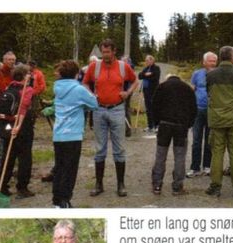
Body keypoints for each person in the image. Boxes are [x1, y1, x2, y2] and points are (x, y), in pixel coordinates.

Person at [83, 40, 136, 198]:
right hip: (99, 110)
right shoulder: (95, 66)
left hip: (117, 109)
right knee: (100, 149)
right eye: (102, 52)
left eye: (107, 52)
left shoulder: (123, 66)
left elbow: (134, 80)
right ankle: (99, 184)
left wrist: (127, 93)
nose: (104, 55)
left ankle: (121, 184)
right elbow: (85, 82)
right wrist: (91, 94)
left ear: (114, 51)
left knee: (119, 149)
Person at [47, 61, 99, 208]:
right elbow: (94, 104)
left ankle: (56, 200)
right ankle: (65, 200)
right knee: (70, 170)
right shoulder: (79, 89)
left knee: (59, 167)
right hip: (73, 134)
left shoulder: (57, 87)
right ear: (76, 74)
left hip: (58, 134)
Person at [205, 46, 233, 198]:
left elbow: (209, 93)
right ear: (231, 57)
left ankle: (215, 186)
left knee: (217, 153)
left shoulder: (210, 75)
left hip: (217, 120)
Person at [150, 72, 197, 195]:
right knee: (179, 157)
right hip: (181, 126)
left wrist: (157, 122)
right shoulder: (188, 89)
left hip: (165, 125)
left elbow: (154, 106)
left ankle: (157, 185)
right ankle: (177, 186)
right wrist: (189, 124)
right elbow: (194, 109)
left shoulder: (162, 87)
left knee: (161, 155)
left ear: (168, 78)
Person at [0, 65, 38, 199]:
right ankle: (22, 187)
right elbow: (23, 109)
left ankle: (2, 186)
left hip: (7, 126)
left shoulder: (9, 87)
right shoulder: (27, 90)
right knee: (25, 157)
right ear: (24, 76)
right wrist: (19, 126)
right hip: (21, 127)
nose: (30, 76)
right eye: (29, 74)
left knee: (8, 156)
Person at [188, 53, 218, 176]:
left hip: (212, 111)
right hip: (198, 110)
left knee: (209, 140)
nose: (212, 63)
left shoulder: (218, 74)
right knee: (196, 140)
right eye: (210, 61)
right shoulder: (197, 74)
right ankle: (195, 168)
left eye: (214, 61)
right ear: (204, 62)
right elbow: (192, 90)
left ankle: (207, 166)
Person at [138, 55, 161, 134]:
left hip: (153, 91)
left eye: (147, 61)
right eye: (145, 61)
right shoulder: (146, 69)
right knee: (148, 108)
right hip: (146, 91)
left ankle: (157, 125)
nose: (146, 62)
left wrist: (147, 76)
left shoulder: (156, 68)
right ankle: (150, 125)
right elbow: (139, 76)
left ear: (152, 61)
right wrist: (146, 75)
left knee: (154, 108)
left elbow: (155, 78)